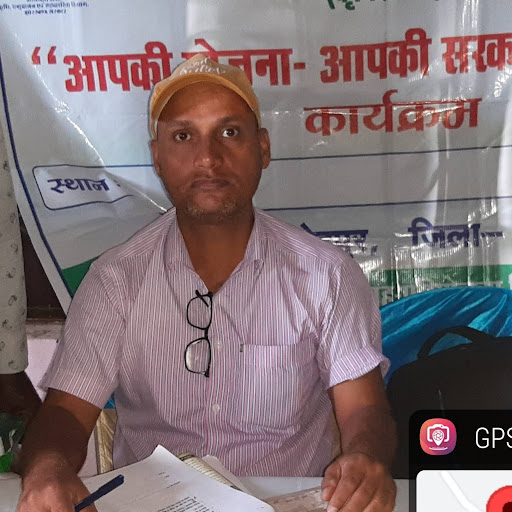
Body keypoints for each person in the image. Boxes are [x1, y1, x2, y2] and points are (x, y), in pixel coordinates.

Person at [16, 54, 396, 512]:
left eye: (229, 132)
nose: (208, 158)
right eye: (183, 136)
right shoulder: (116, 280)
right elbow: (65, 411)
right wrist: (48, 468)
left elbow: (363, 408)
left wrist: (365, 457)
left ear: (263, 149)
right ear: (158, 157)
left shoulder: (326, 274)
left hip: (287, 503)